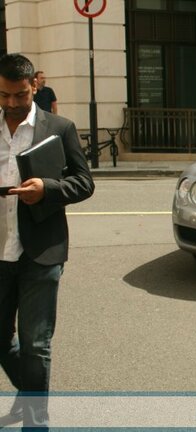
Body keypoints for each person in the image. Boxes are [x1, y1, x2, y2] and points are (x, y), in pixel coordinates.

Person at [0, 53, 94, 429]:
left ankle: (36, 423)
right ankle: (30, 397)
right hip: (0, 252)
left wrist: (48, 188)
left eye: (19, 96)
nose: (10, 104)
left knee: (36, 344)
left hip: (41, 250)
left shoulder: (60, 127)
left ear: (33, 88)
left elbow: (84, 182)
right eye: (4, 95)